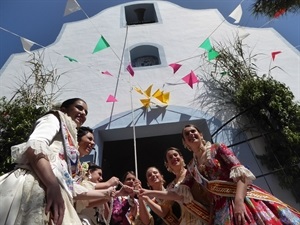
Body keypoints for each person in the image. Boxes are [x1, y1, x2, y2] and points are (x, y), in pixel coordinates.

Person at [181, 124, 300, 225]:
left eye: (193, 131)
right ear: (184, 142)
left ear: (201, 134)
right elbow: (179, 190)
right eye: (187, 134)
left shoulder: (217, 148)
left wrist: (239, 202)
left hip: (239, 198)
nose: (191, 134)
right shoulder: (192, 167)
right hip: (219, 210)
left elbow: (241, 174)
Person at [0, 98, 89, 225]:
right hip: (40, 183)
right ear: (64, 109)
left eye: (86, 112)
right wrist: (52, 185)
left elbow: (68, 182)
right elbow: (35, 146)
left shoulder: (70, 137)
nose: (84, 113)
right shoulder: (55, 118)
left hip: (56, 188)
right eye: (79, 108)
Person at [139, 147, 209, 225]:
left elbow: (178, 196)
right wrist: (146, 199)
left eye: (175, 155)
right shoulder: (171, 186)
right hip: (186, 221)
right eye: (170, 157)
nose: (174, 158)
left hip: (203, 217)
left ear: (181, 158)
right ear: (167, 164)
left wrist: (149, 192)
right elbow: (163, 212)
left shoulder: (191, 171)